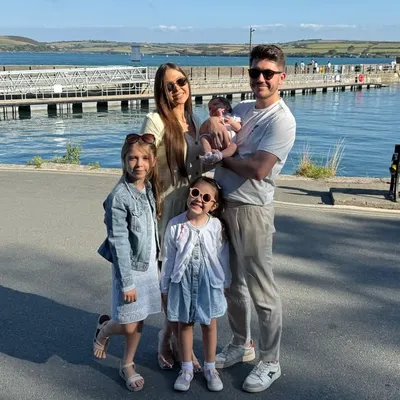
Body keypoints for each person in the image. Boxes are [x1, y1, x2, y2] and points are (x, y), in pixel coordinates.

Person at [210, 44, 296, 393]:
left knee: (262, 289)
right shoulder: (243, 109)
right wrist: (214, 123)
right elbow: (214, 127)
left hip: (252, 210)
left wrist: (222, 159)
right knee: (231, 283)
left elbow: (259, 169)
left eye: (268, 73)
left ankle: (271, 361)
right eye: (255, 72)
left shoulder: (282, 120)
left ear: (282, 77)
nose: (260, 78)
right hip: (224, 205)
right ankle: (240, 343)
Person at [140, 62, 204, 371]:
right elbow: (142, 160)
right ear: (161, 91)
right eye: (169, 85)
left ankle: (167, 336)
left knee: (188, 280)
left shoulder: (194, 120)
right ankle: (178, 342)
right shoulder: (155, 121)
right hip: (167, 210)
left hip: (192, 211)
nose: (177, 89)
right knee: (170, 281)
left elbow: (201, 165)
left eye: (181, 81)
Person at [93, 133, 163, 392]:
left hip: (148, 264)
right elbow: (119, 243)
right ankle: (104, 330)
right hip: (130, 268)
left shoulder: (148, 187)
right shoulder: (119, 197)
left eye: (144, 158)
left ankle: (127, 364)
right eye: (132, 158)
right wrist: (127, 283)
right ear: (124, 160)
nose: (138, 164)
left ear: (153, 161)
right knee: (128, 322)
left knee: (140, 318)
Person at [160, 176, 230, 392]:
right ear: (189, 193)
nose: (199, 199)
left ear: (213, 205)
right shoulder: (175, 224)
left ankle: (210, 367)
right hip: (182, 282)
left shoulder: (216, 226)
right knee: (185, 323)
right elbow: (168, 258)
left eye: (206, 198)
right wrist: (164, 286)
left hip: (209, 282)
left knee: (209, 324)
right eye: (196, 193)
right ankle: (187, 368)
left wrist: (224, 283)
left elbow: (223, 256)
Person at [199, 96, 241, 164]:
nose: (212, 107)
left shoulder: (232, 116)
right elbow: (204, 131)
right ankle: (208, 154)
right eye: (210, 108)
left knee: (234, 147)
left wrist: (232, 122)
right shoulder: (211, 121)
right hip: (215, 140)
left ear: (227, 107)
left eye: (215, 104)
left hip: (229, 141)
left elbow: (238, 128)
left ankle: (220, 155)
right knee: (203, 138)